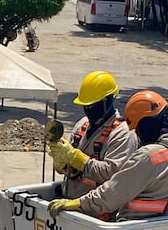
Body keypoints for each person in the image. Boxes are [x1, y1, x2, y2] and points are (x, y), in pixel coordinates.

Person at [47, 90, 168, 221]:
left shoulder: (149, 156)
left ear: (146, 125)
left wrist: (79, 203)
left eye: (137, 129)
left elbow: (113, 193)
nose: (138, 135)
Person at [47, 70, 137, 199]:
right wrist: (61, 161)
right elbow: (68, 171)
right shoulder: (82, 125)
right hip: (68, 201)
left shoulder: (122, 133)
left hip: (96, 210)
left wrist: (77, 159)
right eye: (86, 105)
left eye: (93, 105)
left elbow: (113, 174)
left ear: (108, 100)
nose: (88, 109)